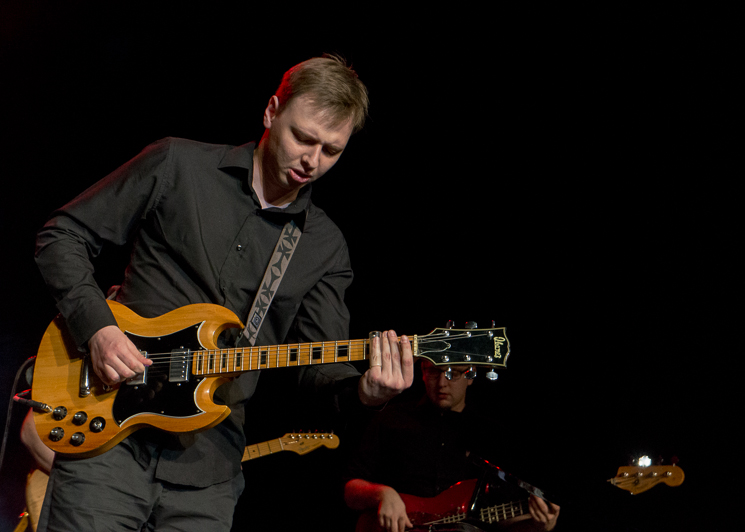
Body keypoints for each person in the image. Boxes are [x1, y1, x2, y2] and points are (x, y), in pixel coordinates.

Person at [33, 54, 414, 531]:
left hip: (208, 471)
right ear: (271, 112)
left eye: (332, 150)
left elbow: (319, 369)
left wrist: (365, 393)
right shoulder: (178, 164)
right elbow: (62, 237)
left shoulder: (325, 246)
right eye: (303, 137)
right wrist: (98, 329)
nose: (312, 160)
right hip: (108, 436)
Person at [343, 360, 561, 532]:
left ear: (470, 375)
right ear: (422, 371)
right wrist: (383, 494)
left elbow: (500, 521)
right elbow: (350, 490)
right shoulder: (390, 418)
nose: (442, 383)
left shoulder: (492, 435)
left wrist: (538, 524)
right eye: (433, 372)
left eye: (453, 374)